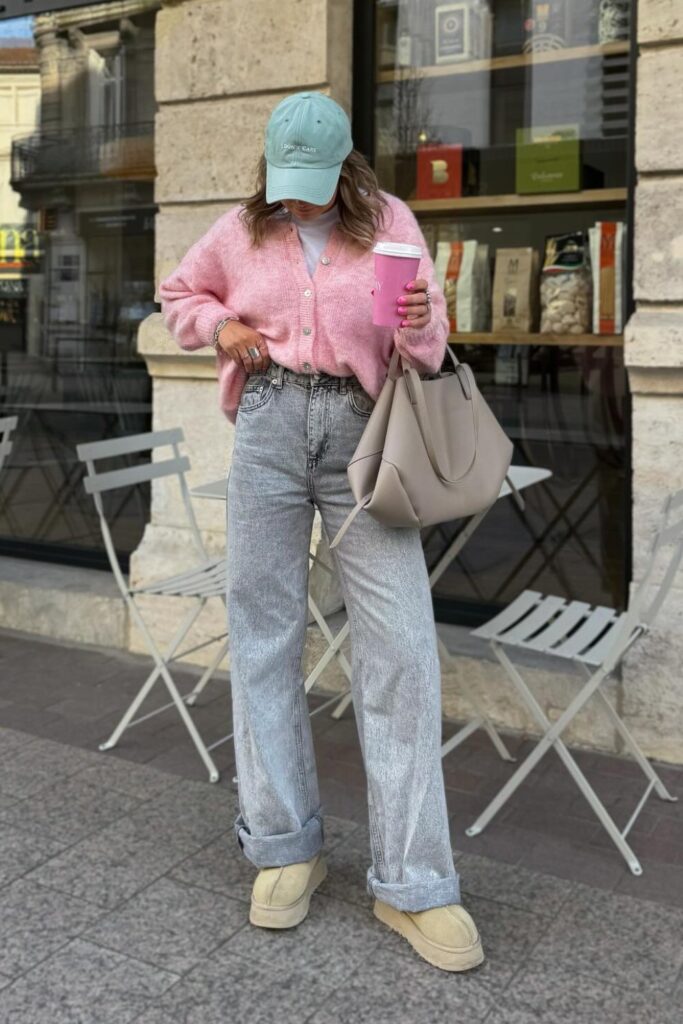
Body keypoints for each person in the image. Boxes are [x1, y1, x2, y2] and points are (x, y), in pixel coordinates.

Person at [158, 90, 483, 973]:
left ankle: (412, 881)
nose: (297, 201)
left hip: (361, 436)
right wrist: (219, 325)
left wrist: (419, 326)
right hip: (265, 425)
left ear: (347, 167)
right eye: (285, 182)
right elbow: (178, 293)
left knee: (402, 649)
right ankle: (282, 845)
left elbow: (426, 343)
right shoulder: (240, 228)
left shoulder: (388, 223)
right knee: (263, 636)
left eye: (314, 184)